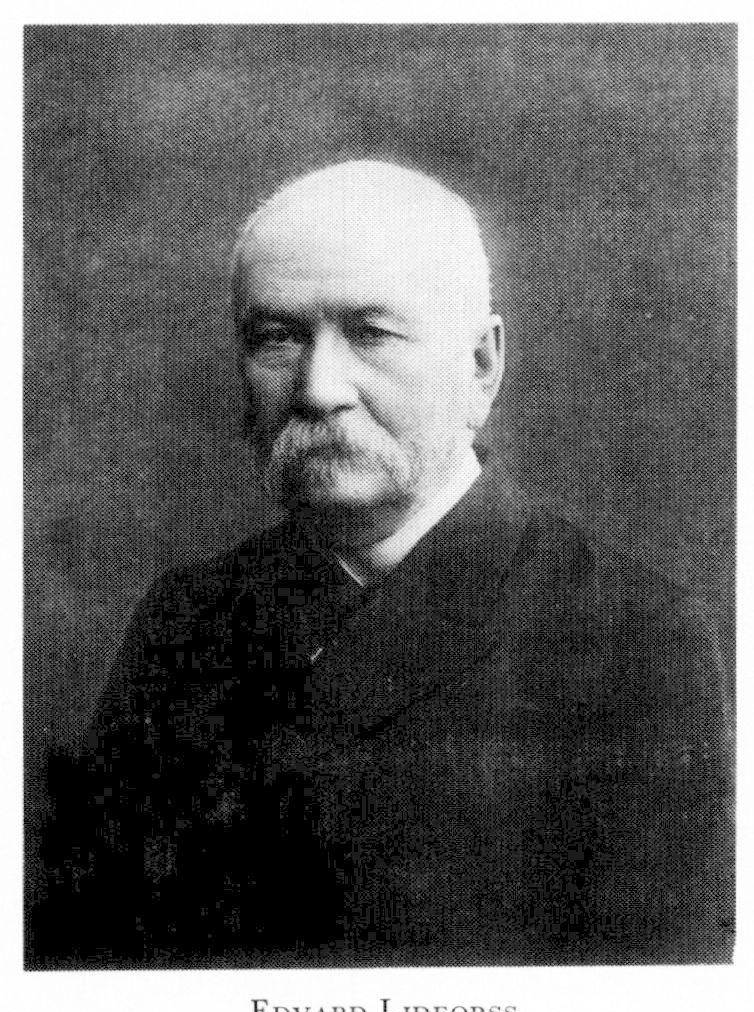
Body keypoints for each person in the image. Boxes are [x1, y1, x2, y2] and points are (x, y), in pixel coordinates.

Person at [31, 160, 733, 968]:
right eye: (277, 337)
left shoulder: (633, 636)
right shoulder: (185, 619)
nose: (319, 388)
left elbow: (650, 1004)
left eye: (371, 333)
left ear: (481, 366)